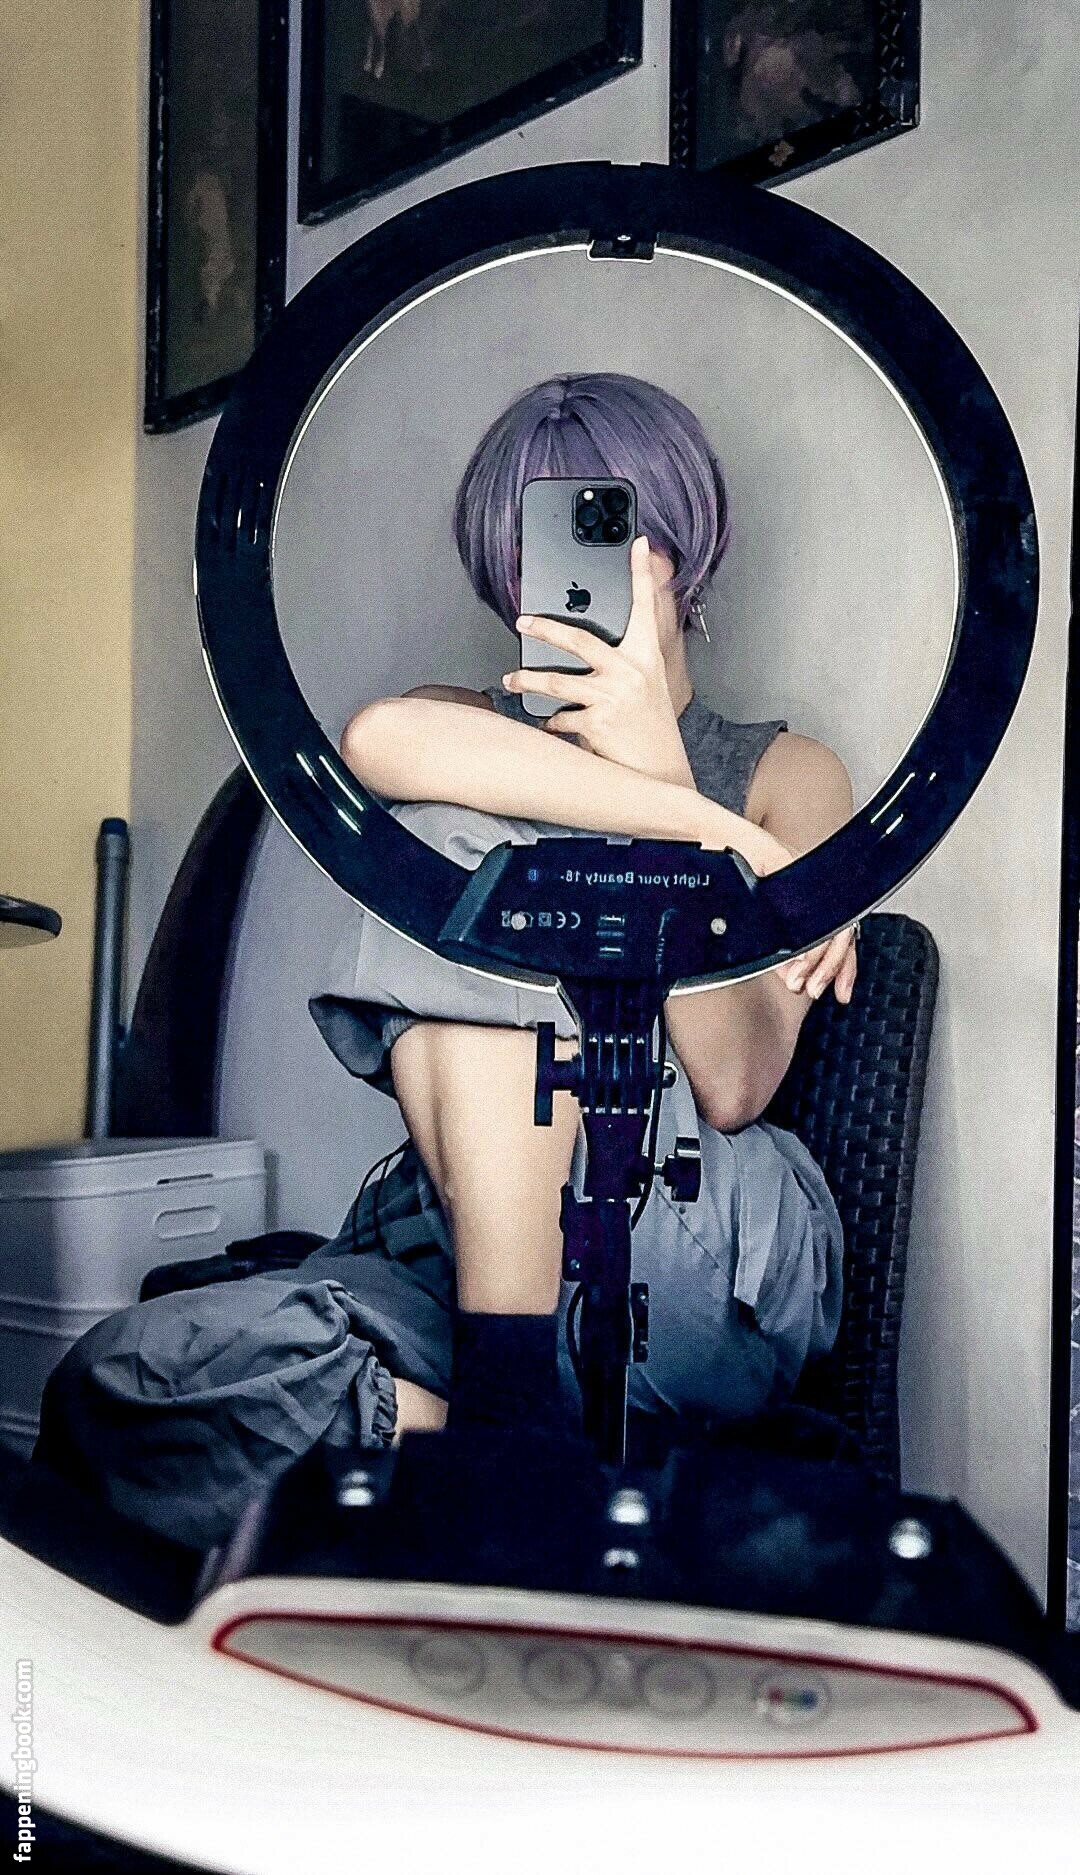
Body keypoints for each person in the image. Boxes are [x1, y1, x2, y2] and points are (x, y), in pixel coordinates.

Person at [34, 371, 855, 1553]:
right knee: (121, 1386)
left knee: (463, 852)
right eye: (535, 544)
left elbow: (737, 1083)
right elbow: (378, 740)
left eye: (606, 529)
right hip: (451, 1241)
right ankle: (514, 1456)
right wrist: (707, 831)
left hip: (684, 1237)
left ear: (681, 548)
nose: (559, 575)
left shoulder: (785, 777)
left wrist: (673, 790)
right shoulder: (463, 732)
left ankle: (501, 1425)